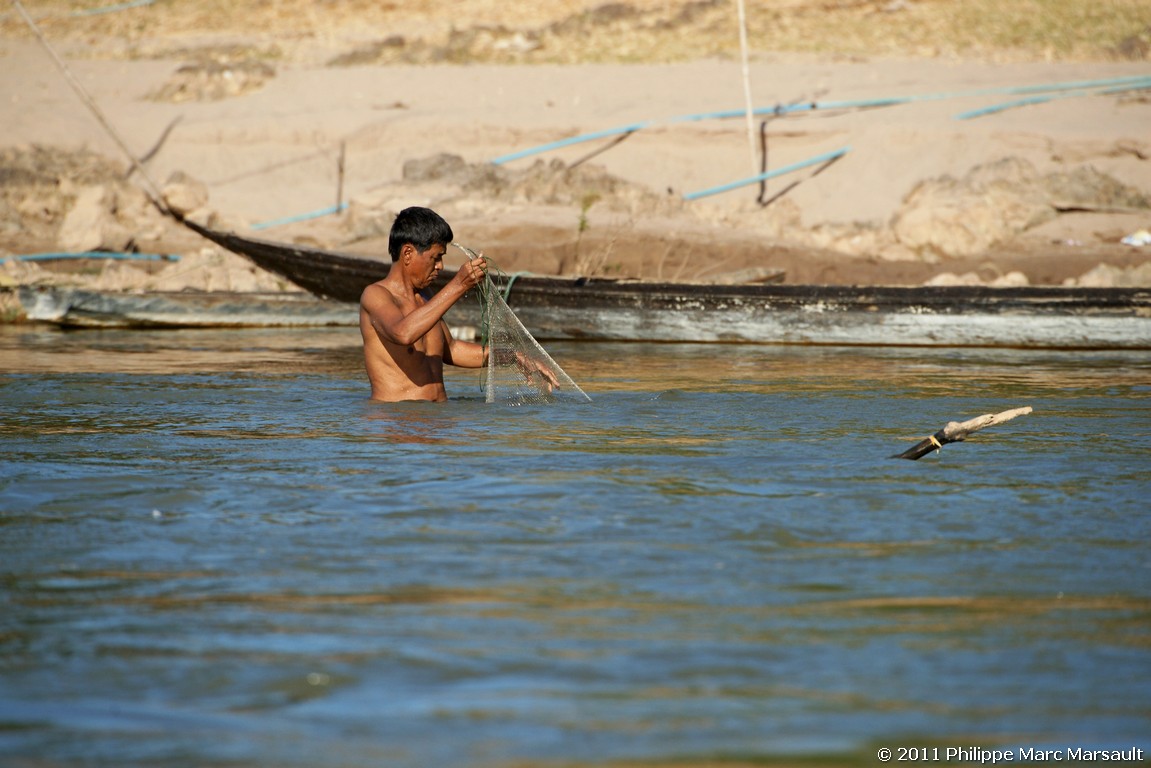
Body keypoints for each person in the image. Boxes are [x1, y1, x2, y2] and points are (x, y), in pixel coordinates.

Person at [359, 206, 489, 402]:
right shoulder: (375, 295)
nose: (440, 266)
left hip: (437, 421)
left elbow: (451, 349)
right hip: (399, 423)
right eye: (435, 257)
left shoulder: (426, 295)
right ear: (408, 253)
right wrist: (460, 284)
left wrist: (512, 356)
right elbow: (402, 334)